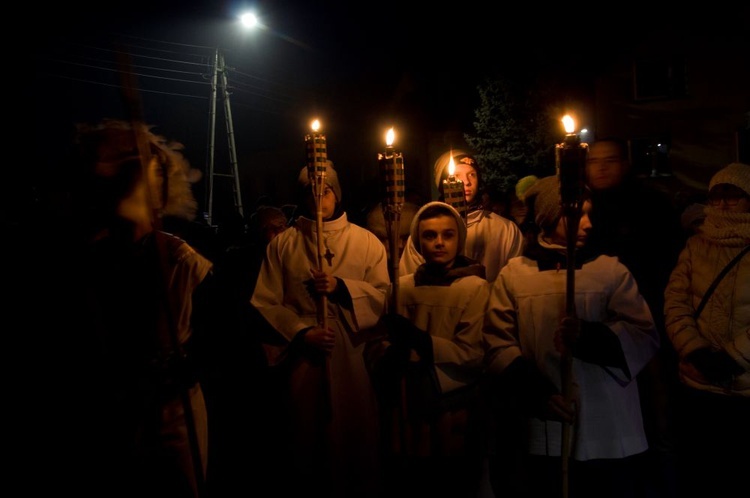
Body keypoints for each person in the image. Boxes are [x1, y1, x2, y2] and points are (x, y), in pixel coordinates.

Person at [50, 119, 215, 498]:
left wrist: (184, 367)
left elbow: (218, 340)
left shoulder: (183, 263)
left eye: (144, 175)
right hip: (113, 411)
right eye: (126, 175)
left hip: (174, 413)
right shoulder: (86, 261)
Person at [483, 175, 660, 498]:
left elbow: (644, 333)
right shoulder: (515, 274)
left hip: (605, 419)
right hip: (546, 420)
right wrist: (537, 393)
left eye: (590, 214)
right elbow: (497, 343)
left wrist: (591, 337)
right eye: (576, 214)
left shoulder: (609, 271)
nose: (588, 224)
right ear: (548, 217)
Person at [250, 162, 390, 498]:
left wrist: (343, 288)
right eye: (310, 190)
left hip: (353, 358)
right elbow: (265, 302)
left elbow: (385, 296)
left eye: (325, 189)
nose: (319, 196)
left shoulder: (366, 241)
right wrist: (300, 333)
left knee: (354, 444)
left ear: (336, 194)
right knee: (306, 446)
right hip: (304, 362)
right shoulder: (283, 245)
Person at [582, 136, 684, 497]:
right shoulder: (582, 209)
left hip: (647, 319)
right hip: (598, 325)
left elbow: (667, 260)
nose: (603, 167)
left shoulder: (650, 205)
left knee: (658, 413)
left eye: (610, 160)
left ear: (624, 164)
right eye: (595, 161)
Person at [366, 201, 490, 498]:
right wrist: (389, 354)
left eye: (447, 235)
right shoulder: (402, 287)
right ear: (417, 241)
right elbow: (377, 343)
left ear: (459, 239)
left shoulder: (474, 288)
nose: (438, 243)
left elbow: (474, 353)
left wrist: (421, 341)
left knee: (453, 480)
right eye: (429, 235)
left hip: (452, 404)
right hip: (409, 403)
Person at [663, 162, 750, 498]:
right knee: (701, 472)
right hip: (698, 381)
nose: (725, 204)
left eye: (734, 196)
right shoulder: (696, 245)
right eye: (718, 196)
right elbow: (675, 300)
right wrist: (694, 348)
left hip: (744, 384)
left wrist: (733, 357)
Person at [399, 149, 524, 283]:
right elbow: (410, 282)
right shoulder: (424, 231)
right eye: (457, 175)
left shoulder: (505, 229)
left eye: (472, 174)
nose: (466, 182)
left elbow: (514, 281)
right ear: (443, 184)